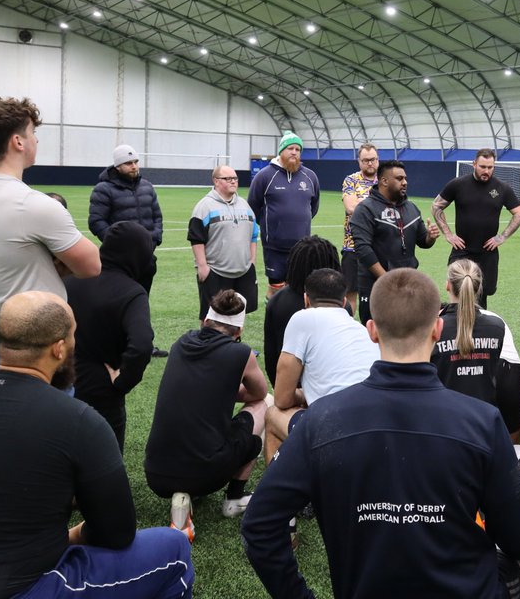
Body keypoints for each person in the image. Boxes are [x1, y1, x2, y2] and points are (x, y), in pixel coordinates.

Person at [242, 268, 520, 598]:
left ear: (371, 330)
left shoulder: (322, 420)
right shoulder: (482, 421)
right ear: (437, 329)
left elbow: (260, 526)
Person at [0, 291, 193, 599]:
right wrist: (76, 536)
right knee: (173, 547)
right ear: (59, 349)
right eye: (73, 337)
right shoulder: (80, 420)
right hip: (19, 589)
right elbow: (117, 533)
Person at [0, 97, 100, 376]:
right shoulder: (33, 204)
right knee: (47, 421)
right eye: (32, 133)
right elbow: (92, 265)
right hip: (25, 353)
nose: (35, 140)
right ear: (18, 142)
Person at [144, 290, 269, 540]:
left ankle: (183, 497)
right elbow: (258, 392)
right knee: (267, 404)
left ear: (205, 321)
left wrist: (217, 389)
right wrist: (225, 389)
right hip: (206, 473)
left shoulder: (180, 343)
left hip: (156, 473)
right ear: (239, 330)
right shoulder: (240, 353)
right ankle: (234, 498)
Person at [265, 268, 379, 461]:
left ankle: (276, 490)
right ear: (344, 303)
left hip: (337, 432)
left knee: (273, 414)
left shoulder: (302, 318)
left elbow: (282, 398)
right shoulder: (360, 329)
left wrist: (302, 394)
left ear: (306, 300)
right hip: (376, 430)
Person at [66, 221, 157, 451]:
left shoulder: (71, 278)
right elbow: (142, 344)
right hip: (102, 388)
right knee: (104, 457)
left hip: (59, 378)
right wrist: (123, 381)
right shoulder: (130, 292)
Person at [433, 258, 520, 442]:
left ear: (448, 285)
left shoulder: (434, 327)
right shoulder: (496, 326)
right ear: (478, 286)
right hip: (484, 423)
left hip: (444, 424)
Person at [348, 159, 440, 324]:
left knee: (408, 332)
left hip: (408, 285)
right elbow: (363, 250)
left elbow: (422, 241)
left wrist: (430, 237)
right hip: (376, 287)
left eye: (405, 178)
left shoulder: (411, 208)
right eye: (399, 178)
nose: (404, 182)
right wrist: (387, 279)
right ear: (384, 181)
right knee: (376, 336)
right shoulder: (365, 209)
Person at [432, 148, 520, 308]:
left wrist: (501, 237)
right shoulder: (458, 184)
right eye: (483, 166)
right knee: (457, 292)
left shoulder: (502, 188)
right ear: (474, 164)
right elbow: (436, 206)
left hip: (487, 253)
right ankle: (456, 326)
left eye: (490, 167)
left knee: (483, 294)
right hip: (462, 251)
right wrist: (448, 234)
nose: (486, 171)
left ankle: (478, 328)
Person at [262, 235, 341, 387]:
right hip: (329, 388)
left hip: (289, 388)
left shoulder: (277, 302)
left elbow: (271, 357)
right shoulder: (338, 305)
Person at [248, 131, 320, 294]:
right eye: (290, 148)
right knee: (276, 288)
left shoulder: (310, 177)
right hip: (274, 246)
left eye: (297, 149)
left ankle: (295, 320)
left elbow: (313, 207)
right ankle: (274, 318)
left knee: (298, 288)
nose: (294, 152)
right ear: (281, 151)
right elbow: (253, 207)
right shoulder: (264, 176)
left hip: (302, 247)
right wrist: (273, 225)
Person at [88, 143, 163, 293]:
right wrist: (117, 243)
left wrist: (153, 240)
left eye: (136, 162)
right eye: (128, 163)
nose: (134, 166)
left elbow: (157, 218)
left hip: (146, 258)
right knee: (118, 301)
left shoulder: (147, 187)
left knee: (141, 299)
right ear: (117, 166)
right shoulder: (103, 189)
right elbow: (96, 222)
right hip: (118, 261)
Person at [188, 164, 259, 322]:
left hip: (243, 271)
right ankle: (209, 346)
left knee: (238, 314)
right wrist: (203, 266)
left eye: (235, 178)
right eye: (228, 178)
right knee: (211, 316)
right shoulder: (204, 206)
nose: (233, 181)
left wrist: (252, 261)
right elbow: (196, 238)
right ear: (216, 181)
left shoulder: (244, 205)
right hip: (216, 271)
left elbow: (254, 236)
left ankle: (233, 345)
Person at [341, 143, 380, 315]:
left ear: (378, 160)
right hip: (353, 246)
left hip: (379, 246)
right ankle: (348, 332)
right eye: (366, 160)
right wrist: (378, 207)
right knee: (350, 294)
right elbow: (350, 207)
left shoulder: (385, 180)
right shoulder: (351, 180)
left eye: (373, 160)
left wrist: (362, 204)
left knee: (379, 292)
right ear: (359, 161)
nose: (370, 163)